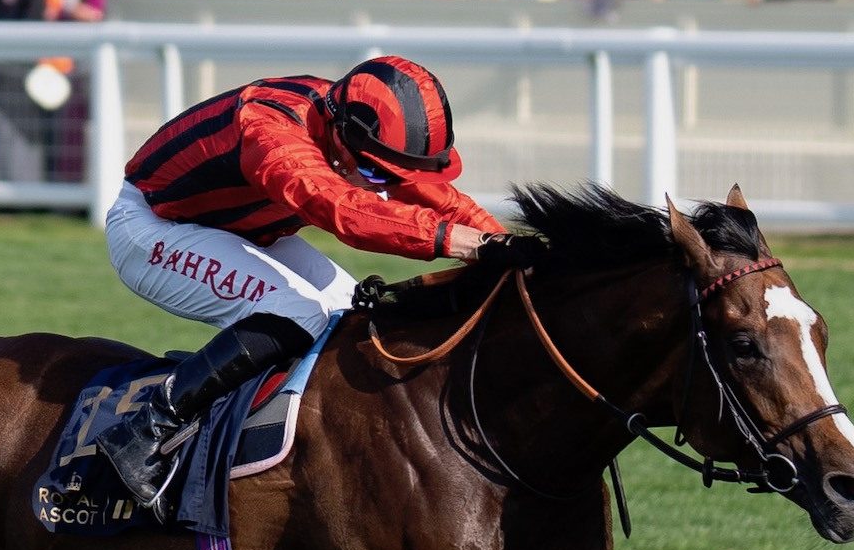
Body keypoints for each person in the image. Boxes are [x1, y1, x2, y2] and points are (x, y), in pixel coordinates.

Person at [95, 58, 534, 509]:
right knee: (297, 313)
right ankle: (143, 431)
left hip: (237, 229)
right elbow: (340, 208)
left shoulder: (350, 122)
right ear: (343, 137)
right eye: (378, 174)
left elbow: (435, 197)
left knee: (351, 317)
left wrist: (502, 243)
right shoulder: (269, 129)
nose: (382, 185)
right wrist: (461, 244)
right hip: (150, 229)